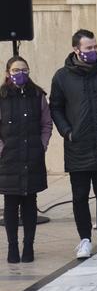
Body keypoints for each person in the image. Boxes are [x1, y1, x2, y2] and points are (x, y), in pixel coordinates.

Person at [50, 29, 97, 260]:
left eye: (95, 47)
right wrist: (67, 132)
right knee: (80, 195)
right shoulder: (62, 76)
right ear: (76, 50)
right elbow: (56, 107)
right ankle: (84, 239)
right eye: (88, 48)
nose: (93, 51)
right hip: (77, 146)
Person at [1, 57, 52, 263]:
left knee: (30, 203)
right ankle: (12, 247)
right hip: (9, 160)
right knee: (11, 204)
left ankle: (28, 246)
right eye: (15, 70)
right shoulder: (2, 97)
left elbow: (46, 124)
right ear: (7, 73)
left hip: (32, 158)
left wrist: (42, 145)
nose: (19, 73)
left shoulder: (37, 95)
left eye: (23, 69)